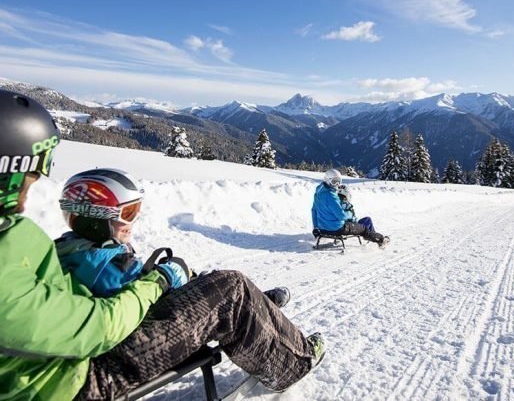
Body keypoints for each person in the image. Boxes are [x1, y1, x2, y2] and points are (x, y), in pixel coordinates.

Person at [0, 90, 325, 400]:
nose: (34, 183)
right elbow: (96, 326)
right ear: (8, 172)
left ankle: (246, 313)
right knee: (230, 288)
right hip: (80, 378)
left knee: (216, 293)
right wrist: (159, 281)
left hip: (66, 363)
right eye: (32, 172)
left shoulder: (19, 234)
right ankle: (294, 360)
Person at [55, 167, 291, 307]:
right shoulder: (100, 264)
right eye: (128, 213)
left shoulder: (75, 249)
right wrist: (169, 275)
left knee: (197, 277)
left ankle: (249, 299)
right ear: (96, 218)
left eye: (135, 211)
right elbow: (137, 298)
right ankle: (247, 304)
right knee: (220, 283)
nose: (133, 221)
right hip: (154, 325)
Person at [312, 169, 390, 248]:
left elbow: (314, 211)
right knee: (363, 229)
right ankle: (381, 240)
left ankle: (376, 238)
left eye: (339, 181)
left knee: (359, 225)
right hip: (337, 228)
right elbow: (341, 216)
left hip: (323, 229)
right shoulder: (331, 196)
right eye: (334, 181)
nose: (337, 184)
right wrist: (350, 214)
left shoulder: (318, 194)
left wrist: (316, 227)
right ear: (327, 180)